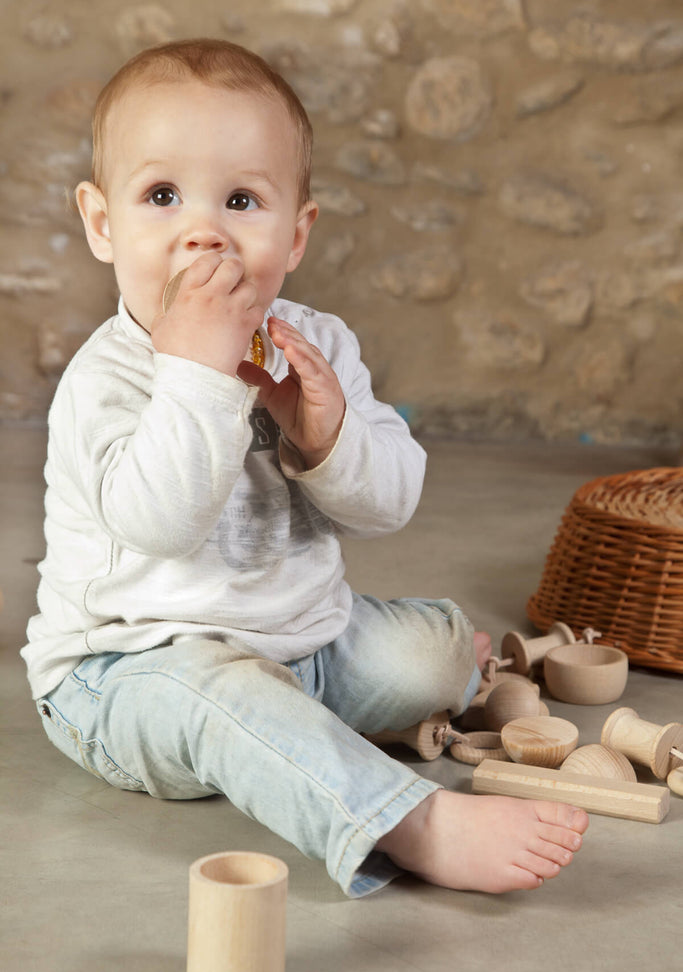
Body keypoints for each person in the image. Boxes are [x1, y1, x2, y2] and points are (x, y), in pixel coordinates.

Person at [22, 38, 588, 898]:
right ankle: (408, 823)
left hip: (302, 645)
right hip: (132, 676)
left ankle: (414, 678)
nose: (202, 229)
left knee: (426, 657)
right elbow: (159, 525)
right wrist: (198, 374)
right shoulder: (107, 380)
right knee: (221, 693)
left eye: (241, 199)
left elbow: (389, 503)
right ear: (104, 225)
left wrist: (326, 441)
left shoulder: (314, 344)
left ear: (295, 232)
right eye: (162, 196)